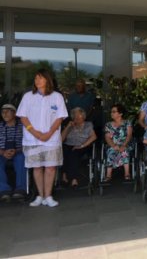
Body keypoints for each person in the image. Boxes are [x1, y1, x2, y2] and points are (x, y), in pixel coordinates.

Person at [17, 69, 68, 207]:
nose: (37, 80)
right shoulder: (28, 96)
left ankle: (48, 196)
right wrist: (35, 132)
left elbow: (60, 117)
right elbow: (23, 116)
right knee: (37, 168)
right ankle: (40, 195)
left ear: (47, 80)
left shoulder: (57, 96)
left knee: (50, 167)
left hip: (51, 139)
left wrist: (49, 133)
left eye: (40, 78)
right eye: (35, 78)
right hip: (32, 138)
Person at [61, 107, 97, 189]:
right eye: (74, 115)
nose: (76, 117)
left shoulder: (88, 124)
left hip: (82, 146)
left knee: (73, 153)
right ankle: (64, 176)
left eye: (78, 115)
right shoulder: (70, 125)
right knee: (64, 151)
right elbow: (61, 139)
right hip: (68, 146)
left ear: (83, 116)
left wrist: (81, 145)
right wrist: (67, 127)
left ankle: (73, 178)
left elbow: (94, 137)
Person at [0, 104, 26, 201]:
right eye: (3, 112)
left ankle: (20, 189)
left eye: (8, 111)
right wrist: (2, 152)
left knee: (21, 159)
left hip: (19, 151)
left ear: (14, 113)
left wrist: (17, 150)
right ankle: (4, 190)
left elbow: (29, 143)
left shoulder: (23, 126)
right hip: (2, 153)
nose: (5, 114)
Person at [104, 104, 133, 181]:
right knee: (111, 151)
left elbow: (129, 135)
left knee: (125, 151)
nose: (111, 113)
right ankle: (108, 175)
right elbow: (107, 137)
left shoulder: (127, 123)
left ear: (120, 113)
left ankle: (127, 174)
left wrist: (123, 145)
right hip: (112, 144)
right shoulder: (108, 124)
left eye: (114, 112)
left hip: (125, 143)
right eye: (111, 112)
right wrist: (113, 146)